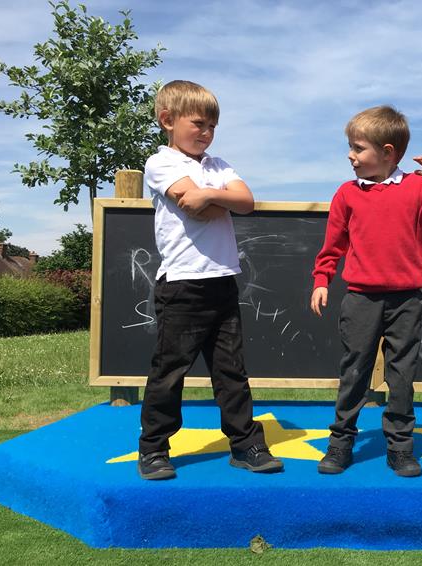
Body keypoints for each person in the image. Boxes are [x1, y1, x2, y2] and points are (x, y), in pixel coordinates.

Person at [137, 80, 283, 480]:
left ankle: (245, 443)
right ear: (168, 120)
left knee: (231, 371)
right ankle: (154, 449)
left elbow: (247, 202)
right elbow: (194, 206)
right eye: (198, 123)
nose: (206, 133)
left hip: (223, 283)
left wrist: (210, 194)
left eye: (212, 127)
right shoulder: (161, 162)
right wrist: (217, 198)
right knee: (169, 372)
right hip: (182, 286)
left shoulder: (218, 166)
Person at [311, 105, 422, 477]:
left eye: (358, 148)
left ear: (387, 152)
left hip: (406, 301)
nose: (351, 156)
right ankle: (341, 443)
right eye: (350, 147)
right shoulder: (347, 194)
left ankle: (400, 447)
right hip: (361, 298)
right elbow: (333, 245)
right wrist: (321, 280)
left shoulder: (418, 187)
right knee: (354, 372)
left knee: (401, 375)